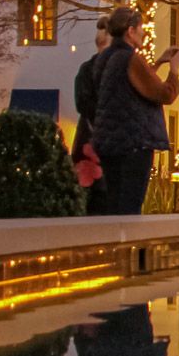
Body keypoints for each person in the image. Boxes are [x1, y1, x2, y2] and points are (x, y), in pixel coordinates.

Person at [89, 7, 179, 215]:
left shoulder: (105, 58)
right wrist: (174, 69)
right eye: (140, 28)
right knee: (130, 206)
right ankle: (129, 246)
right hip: (133, 143)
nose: (144, 32)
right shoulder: (131, 58)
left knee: (114, 203)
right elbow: (164, 94)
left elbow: (131, 85)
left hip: (109, 142)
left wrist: (158, 62)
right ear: (130, 31)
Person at [71, 20, 111, 214]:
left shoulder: (85, 69)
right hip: (101, 144)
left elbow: (82, 103)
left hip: (87, 142)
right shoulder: (107, 70)